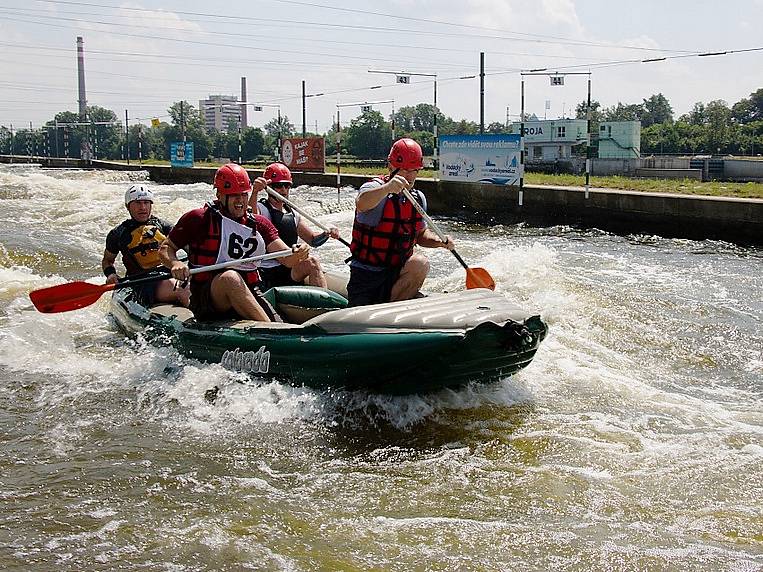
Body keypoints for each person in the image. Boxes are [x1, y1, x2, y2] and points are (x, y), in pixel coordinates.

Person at [159, 163, 309, 322]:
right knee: (230, 277)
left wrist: (299, 252)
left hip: (249, 290)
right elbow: (166, 248)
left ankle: (275, 329)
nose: (241, 201)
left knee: (269, 312)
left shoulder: (259, 224)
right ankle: (274, 335)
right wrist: (175, 263)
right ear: (220, 195)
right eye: (234, 195)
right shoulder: (199, 219)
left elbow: (287, 259)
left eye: (244, 195)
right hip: (207, 298)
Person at [347, 138, 456, 307]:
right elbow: (361, 203)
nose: (409, 176)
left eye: (414, 170)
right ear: (391, 167)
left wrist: (440, 242)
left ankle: (391, 310)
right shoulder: (375, 188)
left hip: (396, 273)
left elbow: (420, 235)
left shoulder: (418, 198)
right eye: (404, 170)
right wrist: (387, 188)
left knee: (420, 263)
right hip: (366, 274)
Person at [250, 162, 340, 290]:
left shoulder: (292, 213)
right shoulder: (262, 209)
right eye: (278, 186)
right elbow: (251, 221)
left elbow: (313, 240)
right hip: (268, 270)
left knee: (312, 262)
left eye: (287, 186)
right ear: (268, 187)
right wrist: (254, 193)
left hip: (290, 267)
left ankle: (326, 304)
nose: (284, 190)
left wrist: (327, 233)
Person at [102, 184, 190, 307]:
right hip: (142, 282)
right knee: (183, 289)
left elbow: (190, 248)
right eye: (138, 203)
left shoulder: (164, 226)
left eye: (146, 203)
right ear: (128, 206)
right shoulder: (118, 234)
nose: (143, 207)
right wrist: (111, 274)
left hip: (168, 274)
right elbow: (108, 260)